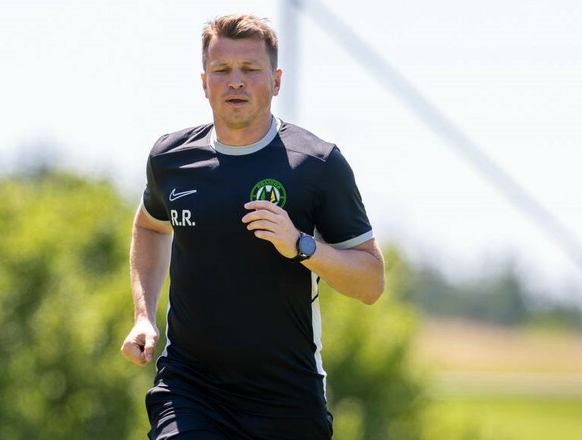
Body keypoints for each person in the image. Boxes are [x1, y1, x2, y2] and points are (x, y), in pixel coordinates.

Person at [121, 13, 385, 440]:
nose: (235, 82)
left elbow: (371, 282)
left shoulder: (317, 165)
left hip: (287, 400)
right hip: (190, 389)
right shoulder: (171, 159)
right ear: (204, 82)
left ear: (276, 81)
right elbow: (151, 226)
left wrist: (301, 245)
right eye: (222, 70)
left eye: (250, 69)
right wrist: (143, 316)